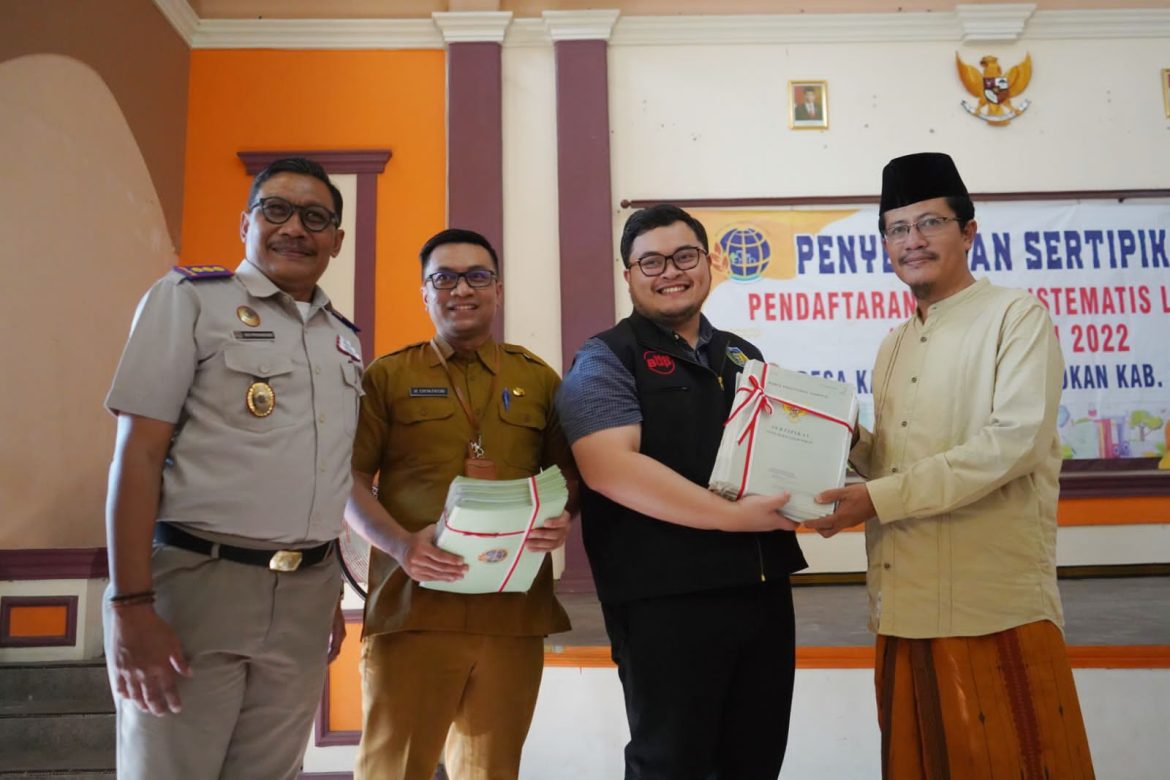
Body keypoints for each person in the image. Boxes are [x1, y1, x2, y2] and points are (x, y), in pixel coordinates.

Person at [805, 152, 1094, 778]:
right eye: (897, 229)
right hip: (903, 604)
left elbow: (1012, 445)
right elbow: (892, 460)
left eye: (930, 222)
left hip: (992, 605)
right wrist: (833, 434)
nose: (913, 240)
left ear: (968, 231)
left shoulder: (1016, 317)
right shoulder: (893, 344)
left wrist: (876, 499)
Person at [103, 156, 359, 779]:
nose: (294, 228)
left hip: (305, 595)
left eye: (315, 218)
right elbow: (138, 455)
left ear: (336, 240)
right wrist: (130, 604)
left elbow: (324, 469)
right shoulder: (189, 301)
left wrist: (325, 586)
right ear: (246, 223)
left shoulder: (344, 339)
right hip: (198, 585)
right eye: (277, 210)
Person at [555, 204, 807, 780]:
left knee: (757, 759)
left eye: (684, 256)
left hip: (762, 589)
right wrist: (737, 517)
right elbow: (608, 468)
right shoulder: (605, 357)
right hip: (664, 600)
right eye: (651, 262)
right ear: (628, 274)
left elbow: (774, 456)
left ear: (709, 262)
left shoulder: (744, 355)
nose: (670, 271)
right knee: (672, 764)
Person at [345, 228, 576, 780]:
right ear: (425, 292)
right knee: (393, 771)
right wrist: (401, 546)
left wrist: (562, 516)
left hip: (512, 615)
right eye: (444, 278)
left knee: (491, 771)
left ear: (498, 289)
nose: (462, 289)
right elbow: (345, 480)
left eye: (477, 276)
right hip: (414, 609)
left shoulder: (537, 378)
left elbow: (567, 472)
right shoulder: (388, 376)